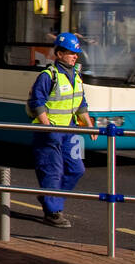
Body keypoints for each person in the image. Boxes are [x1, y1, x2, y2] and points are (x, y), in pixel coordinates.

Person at [27, 32, 96, 228]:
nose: (75, 56)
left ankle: (50, 199)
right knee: (53, 171)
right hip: (49, 132)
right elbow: (37, 102)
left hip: (71, 131)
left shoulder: (77, 76)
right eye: (70, 53)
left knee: (77, 170)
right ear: (59, 54)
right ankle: (53, 212)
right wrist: (47, 126)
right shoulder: (48, 76)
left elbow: (81, 103)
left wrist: (89, 126)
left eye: (76, 53)